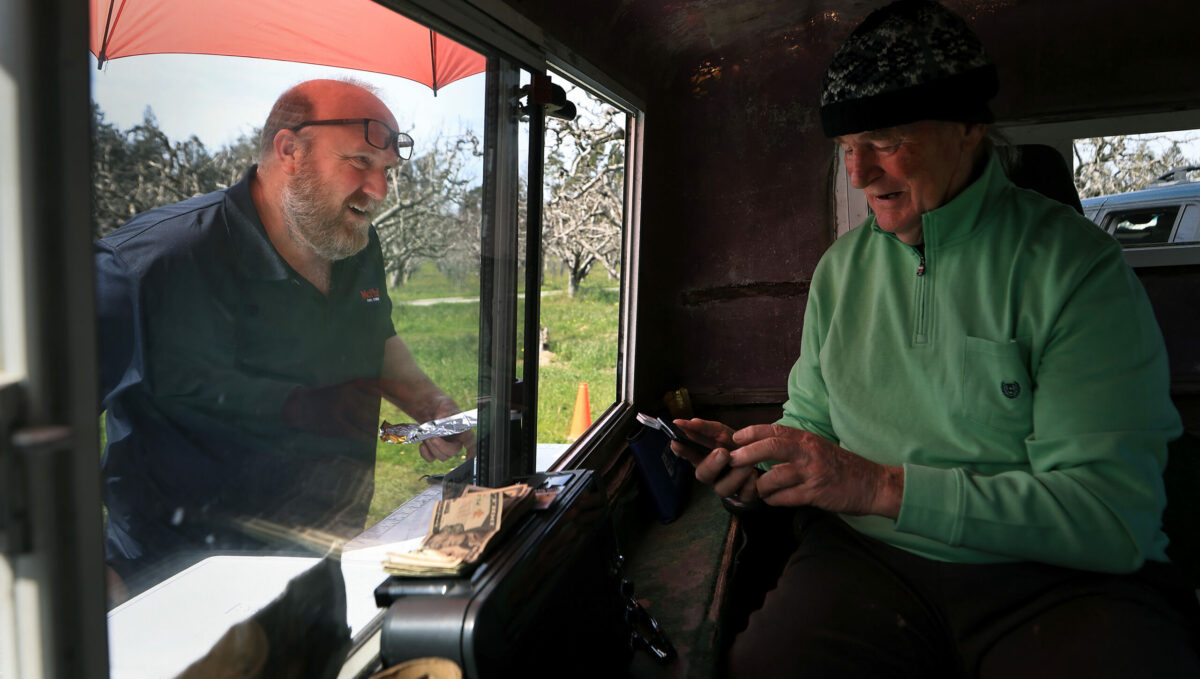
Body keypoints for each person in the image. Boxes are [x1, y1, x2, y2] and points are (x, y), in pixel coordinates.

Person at [669, 1, 1200, 676]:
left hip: (1052, 575)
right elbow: (810, 422)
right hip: (868, 560)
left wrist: (878, 486)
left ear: (970, 126)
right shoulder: (842, 271)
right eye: (845, 149)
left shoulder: (1074, 268)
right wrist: (754, 469)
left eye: (886, 142)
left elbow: (1108, 513)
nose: (859, 175)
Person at [96, 79, 474, 595]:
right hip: (180, 593)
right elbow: (34, 429)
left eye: (387, 171)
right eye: (360, 162)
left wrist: (426, 402)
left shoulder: (356, 243)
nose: (381, 190)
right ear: (290, 151)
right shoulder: (146, 267)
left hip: (325, 572)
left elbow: (375, 333)